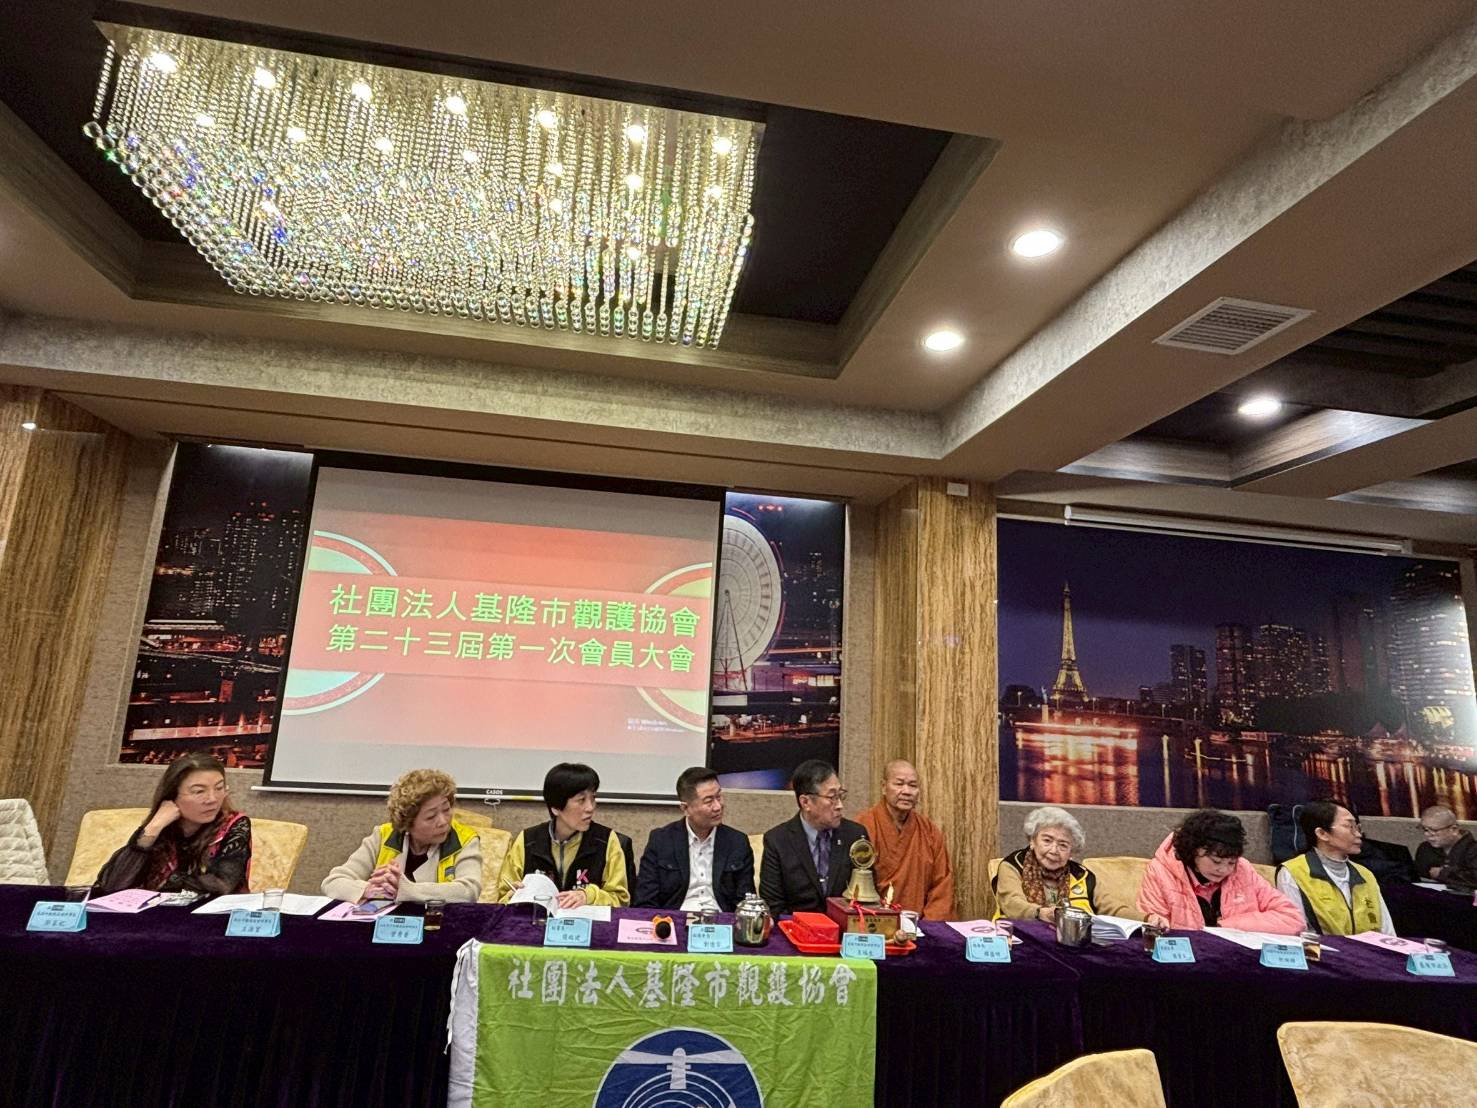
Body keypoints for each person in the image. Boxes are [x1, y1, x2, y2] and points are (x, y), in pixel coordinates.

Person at [95, 752, 251, 894]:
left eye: (219, 788)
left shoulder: (234, 824)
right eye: (199, 791)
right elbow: (112, 885)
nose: (212, 799)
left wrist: (166, 883)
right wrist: (154, 827)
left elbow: (222, 885)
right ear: (172, 795)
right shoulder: (162, 826)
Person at [322, 768, 482, 903]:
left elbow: (468, 891)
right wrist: (370, 889)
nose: (443, 821)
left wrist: (407, 889)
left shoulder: (465, 839)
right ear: (408, 823)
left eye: (446, 810)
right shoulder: (383, 836)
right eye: (431, 816)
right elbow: (333, 882)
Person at [995, 805, 1168, 927]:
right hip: (1021, 940)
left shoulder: (1082, 876)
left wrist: (1147, 918)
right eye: (1047, 840)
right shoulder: (1013, 865)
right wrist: (1041, 913)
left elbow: (1112, 909)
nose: (1054, 850)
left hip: (1072, 943)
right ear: (1032, 841)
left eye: (1063, 845)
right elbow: (1012, 904)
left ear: (1071, 853)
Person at [1138, 808, 1302, 933]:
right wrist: (1155, 921)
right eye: (1216, 861)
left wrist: (1227, 926)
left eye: (1231, 862)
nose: (1224, 870)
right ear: (1193, 850)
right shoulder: (1161, 871)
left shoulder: (1243, 869)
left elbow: (1293, 919)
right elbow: (1154, 923)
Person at [497, 762, 630, 907]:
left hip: (588, 920)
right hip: (539, 919)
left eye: (593, 798)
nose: (590, 807)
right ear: (555, 808)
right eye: (581, 800)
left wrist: (589, 895)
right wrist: (512, 896)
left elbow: (621, 900)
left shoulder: (606, 840)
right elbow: (502, 898)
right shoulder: (527, 840)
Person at [634, 767, 755, 912]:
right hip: (675, 918)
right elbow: (645, 900)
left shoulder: (737, 842)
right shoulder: (661, 841)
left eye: (719, 797)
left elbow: (745, 901)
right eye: (709, 801)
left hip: (722, 919)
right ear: (685, 808)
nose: (718, 807)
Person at [759, 759, 868, 915]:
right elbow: (773, 905)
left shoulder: (855, 835)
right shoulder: (778, 841)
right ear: (806, 802)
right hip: (796, 927)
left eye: (840, 795)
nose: (839, 805)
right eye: (832, 797)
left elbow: (866, 897)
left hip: (844, 926)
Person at [1277, 799, 1395, 935]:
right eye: (1349, 827)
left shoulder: (1365, 875)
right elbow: (1297, 931)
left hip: (1369, 948)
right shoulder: (1293, 872)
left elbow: (1388, 933)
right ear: (1322, 833)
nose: (1358, 834)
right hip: (1322, 948)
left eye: (1358, 827)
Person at [856, 759, 955, 919]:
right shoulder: (863, 826)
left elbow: (942, 887)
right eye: (899, 784)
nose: (907, 791)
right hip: (873, 921)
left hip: (919, 925)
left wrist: (927, 927)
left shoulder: (929, 831)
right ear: (883, 787)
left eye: (913, 785)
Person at [1414, 805, 1477, 889]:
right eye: (1425, 829)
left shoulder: (1473, 850)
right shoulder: (1425, 849)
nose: (1427, 834)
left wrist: (1443, 873)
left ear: (1454, 829)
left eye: (1434, 830)